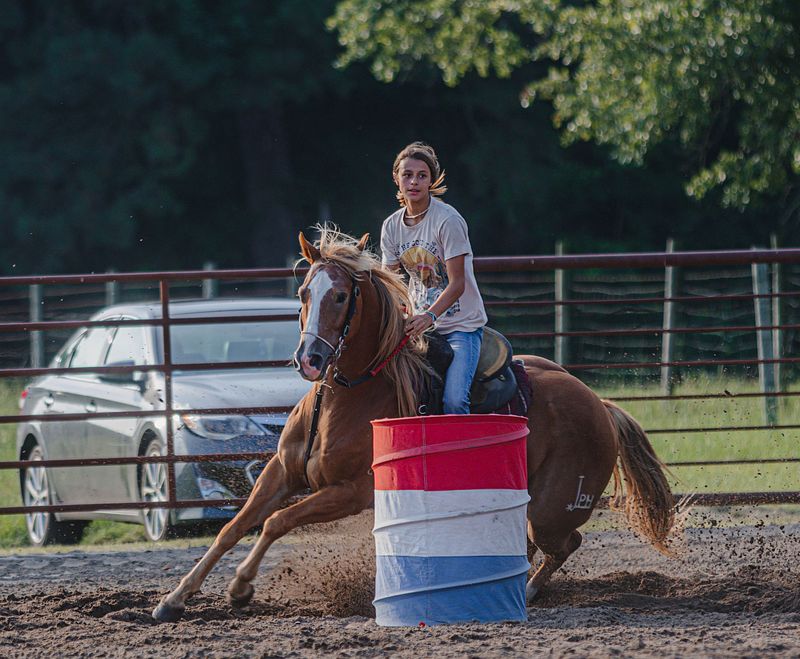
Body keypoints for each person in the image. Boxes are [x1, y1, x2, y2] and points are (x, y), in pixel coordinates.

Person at [380, 141, 487, 414]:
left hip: (460, 326)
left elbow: (458, 284)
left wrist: (429, 316)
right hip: (417, 327)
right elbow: (390, 284)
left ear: (432, 180)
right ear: (396, 178)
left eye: (422, 175)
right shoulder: (391, 226)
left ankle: (458, 454)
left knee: (454, 401)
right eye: (407, 174)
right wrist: (401, 316)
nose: (414, 181)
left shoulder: (447, 220)